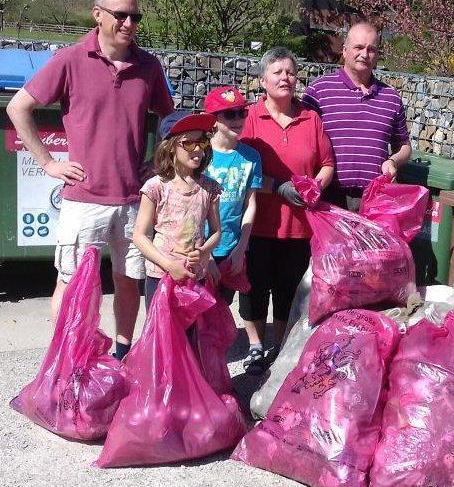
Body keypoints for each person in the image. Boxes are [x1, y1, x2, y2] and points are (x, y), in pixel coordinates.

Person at [6, 0, 174, 360]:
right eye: (120, 15)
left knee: (128, 280)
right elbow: (18, 108)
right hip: (84, 199)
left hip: (132, 200)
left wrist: (157, 163)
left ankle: (122, 354)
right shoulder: (70, 59)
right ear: (97, 14)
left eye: (135, 17)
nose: (129, 23)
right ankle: (69, 358)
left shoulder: (149, 67)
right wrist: (48, 162)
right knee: (71, 283)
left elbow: (171, 121)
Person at [240, 47, 335, 373]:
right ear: (263, 80)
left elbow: (327, 163)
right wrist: (277, 187)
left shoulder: (311, 118)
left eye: (291, 72)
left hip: (298, 226)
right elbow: (241, 167)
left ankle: (280, 347)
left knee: (288, 289)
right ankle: (255, 346)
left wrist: (316, 186)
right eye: (278, 72)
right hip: (257, 222)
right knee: (253, 287)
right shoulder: (250, 118)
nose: (285, 78)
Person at [301, 22, 410, 212]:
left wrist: (393, 161)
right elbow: (301, 140)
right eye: (358, 47)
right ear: (344, 50)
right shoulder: (318, 91)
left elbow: (404, 146)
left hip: (374, 199)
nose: (364, 54)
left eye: (371, 49)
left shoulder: (391, 98)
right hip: (328, 197)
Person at [132, 111, 222, 309]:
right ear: (170, 147)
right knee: (161, 327)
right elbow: (139, 236)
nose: (198, 149)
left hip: (194, 274)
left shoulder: (210, 188)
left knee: (192, 328)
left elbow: (216, 232)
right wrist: (169, 265)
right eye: (188, 143)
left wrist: (204, 252)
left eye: (202, 142)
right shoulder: (156, 187)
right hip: (160, 274)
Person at [200, 86, 263, 310]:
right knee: (197, 313)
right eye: (229, 114)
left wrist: (241, 248)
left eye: (241, 113)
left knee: (220, 310)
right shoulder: (200, 154)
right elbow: (189, 209)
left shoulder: (251, 157)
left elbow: (250, 204)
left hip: (231, 248)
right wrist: (204, 253)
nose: (237, 120)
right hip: (200, 247)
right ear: (213, 120)